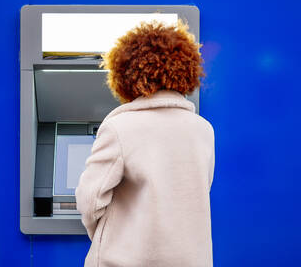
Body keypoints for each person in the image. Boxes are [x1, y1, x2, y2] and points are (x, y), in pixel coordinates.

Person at [75, 19, 215, 267]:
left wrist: (109, 236)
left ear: (126, 73)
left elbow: (89, 200)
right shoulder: (203, 130)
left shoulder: (119, 127)